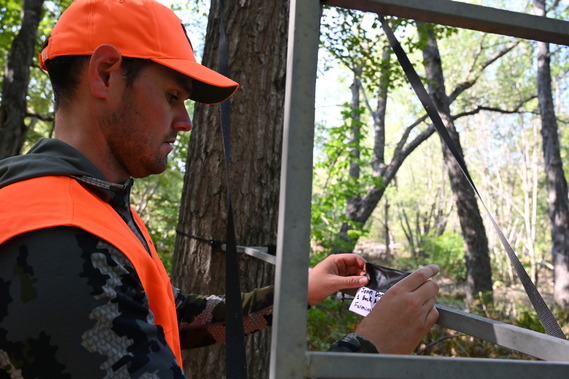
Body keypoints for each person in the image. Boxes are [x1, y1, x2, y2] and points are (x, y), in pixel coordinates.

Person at [0, 0, 439, 377]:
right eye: (173, 96)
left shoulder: (88, 205)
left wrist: (298, 293)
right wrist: (367, 352)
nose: (186, 121)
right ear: (106, 74)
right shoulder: (55, 239)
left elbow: (176, 317)